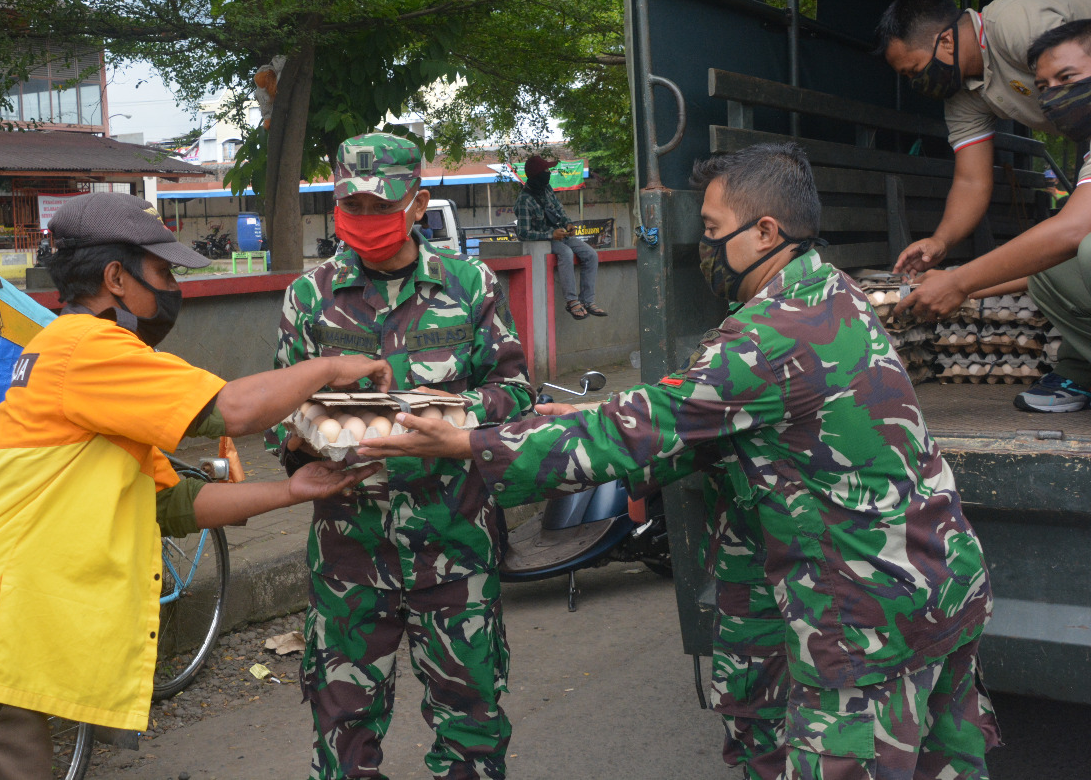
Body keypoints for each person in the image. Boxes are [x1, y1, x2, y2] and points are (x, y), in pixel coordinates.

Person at [362, 143, 999, 779]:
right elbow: (704, 417)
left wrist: (466, 445)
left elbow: (639, 431)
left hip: (867, 618)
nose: (706, 248)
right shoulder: (832, 292)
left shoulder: (766, 335)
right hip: (941, 581)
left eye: (715, 231)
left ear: (767, 232)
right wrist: (583, 415)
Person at [0, 193, 391, 780]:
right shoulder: (87, 347)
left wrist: (294, 491)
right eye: (163, 273)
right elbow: (235, 409)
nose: (173, 290)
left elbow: (171, 504)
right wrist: (327, 367)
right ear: (116, 277)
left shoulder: (77, 360)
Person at [267, 132, 534, 780]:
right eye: (350, 208)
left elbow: (516, 390)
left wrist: (451, 423)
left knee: (472, 733)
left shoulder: (468, 287)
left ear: (417, 204)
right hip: (348, 560)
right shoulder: (310, 299)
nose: (364, 223)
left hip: (453, 551)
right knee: (341, 745)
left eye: (379, 208)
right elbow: (279, 413)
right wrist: (303, 438)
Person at [876, 0, 1091, 411]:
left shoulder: (1017, 24)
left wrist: (960, 282)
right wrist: (942, 246)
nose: (916, 84)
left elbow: (1073, 228)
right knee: (1048, 261)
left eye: (913, 70)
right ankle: (1082, 372)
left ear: (947, 41)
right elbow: (972, 182)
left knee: (1081, 247)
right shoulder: (964, 95)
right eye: (1043, 85)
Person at [512, 155, 606, 319]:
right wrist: (550, 234)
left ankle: (587, 301)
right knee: (566, 253)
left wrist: (568, 224)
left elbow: (558, 209)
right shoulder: (524, 200)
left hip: (560, 234)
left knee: (591, 255)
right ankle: (572, 301)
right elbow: (523, 233)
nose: (548, 172)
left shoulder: (547, 189)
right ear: (536, 174)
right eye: (546, 170)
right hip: (543, 241)